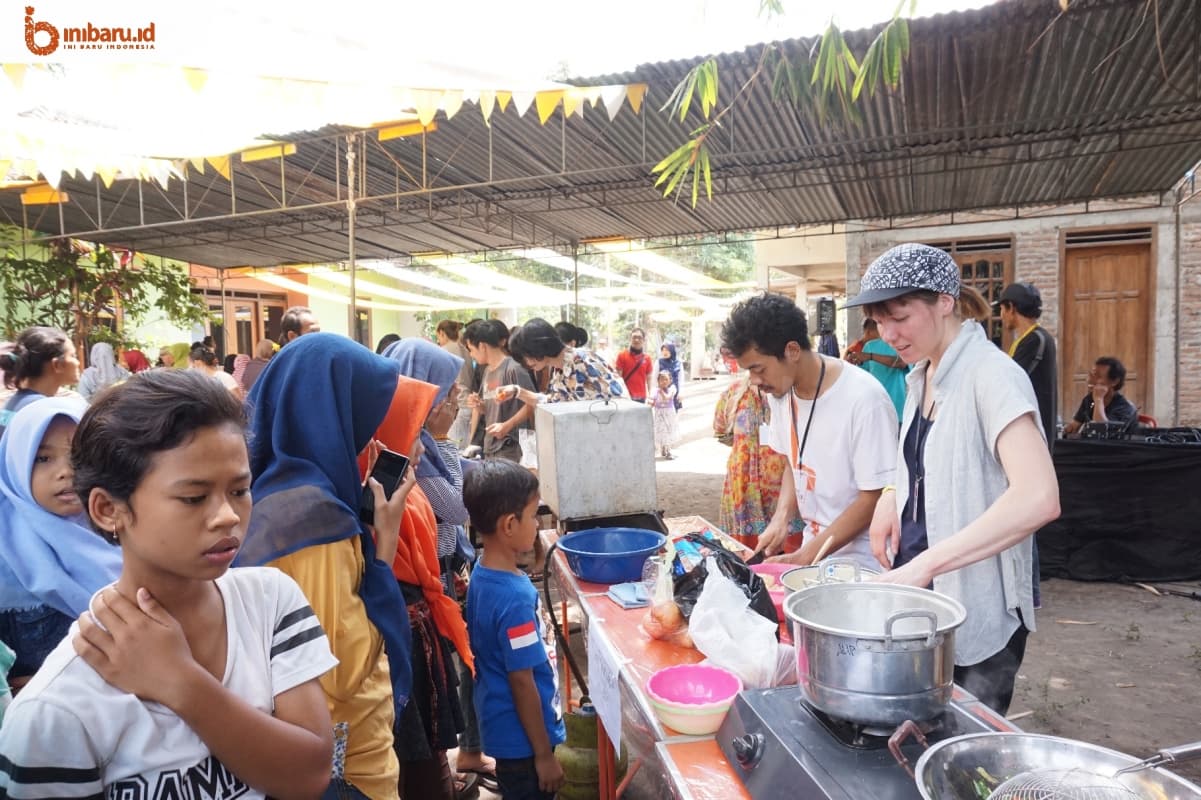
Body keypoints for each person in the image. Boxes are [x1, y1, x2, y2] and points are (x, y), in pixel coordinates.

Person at [0, 370, 337, 798]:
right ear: (107, 510)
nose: (227, 516)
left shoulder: (270, 601)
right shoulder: (58, 708)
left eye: (239, 490)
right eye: (194, 498)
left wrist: (180, 681)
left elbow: (308, 776)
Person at [846, 242, 1060, 714]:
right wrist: (889, 495)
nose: (888, 334)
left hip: (973, 600)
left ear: (945, 301)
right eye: (880, 321)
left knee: (961, 752)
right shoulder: (923, 374)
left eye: (900, 316)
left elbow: (1039, 497)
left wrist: (925, 566)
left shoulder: (992, 376)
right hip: (924, 599)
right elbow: (922, 461)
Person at [237, 333, 416, 800]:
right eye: (362, 415)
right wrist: (387, 540)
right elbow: (340, 665)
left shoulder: (268, 490)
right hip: (346, 762)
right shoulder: (313, 518)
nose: (369, 434)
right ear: (331, 412)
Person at [721, 293, 898, 571]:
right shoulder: (780, 394)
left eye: (759, 369)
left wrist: (807, 555)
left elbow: (874, 496)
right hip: (815, 552)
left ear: (792, 351)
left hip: (864, 563)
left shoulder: (864, 399)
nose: (755, 382)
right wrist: (781, 518)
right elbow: (795, 463)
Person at [0, 398, 122, 693]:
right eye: (42, 459)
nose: (66, 472)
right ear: (15, 464)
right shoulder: (5, 550)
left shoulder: (123, 526)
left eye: (78, 457)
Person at [463, 461, 565, 800]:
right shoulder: (515, 599)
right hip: (524, 744)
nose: (537, 525)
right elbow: (522, 682)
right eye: (534, 515)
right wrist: (544, 755)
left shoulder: (481, 572)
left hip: (501, 728)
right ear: (509, 524)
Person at [712, 374, 806, 550]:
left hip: (783, 485)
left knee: (787, 553)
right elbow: (720, 431)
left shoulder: (791, 395)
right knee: (744, 556)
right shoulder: (733, 393)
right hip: (742, 487)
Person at [504, 318, 625, 406]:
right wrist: (517, 391)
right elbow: (551, 402)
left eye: (526, 355)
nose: (527, 363)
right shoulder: (558, 371)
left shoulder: (583, 361)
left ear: (539, 347)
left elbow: (620, 401)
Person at [463, 319, 534, 463]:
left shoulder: (514, 369)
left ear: (482, 346)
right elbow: (491, 408)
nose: (471, 354)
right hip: (491, 447)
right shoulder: (487, 371)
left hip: (511, 447)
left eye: (471, 349)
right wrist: (479, 405)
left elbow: (533, 404)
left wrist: (507, 425)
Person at [997, 283, 1058, 449]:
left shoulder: (1035, 340)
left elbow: (1009, 381)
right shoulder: (1030, 339)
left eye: (1002, 309)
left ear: (1011, 308)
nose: (1001, 316)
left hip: (1034, 431)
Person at [0, 326, 81, 438]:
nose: (78, 362)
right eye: (72, 355)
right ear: (57, 365)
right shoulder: (47, 412)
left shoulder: (13, 403)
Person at [846, 319, 907, 421]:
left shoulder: (900, 343)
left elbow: (901, 362)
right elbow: (863, 376)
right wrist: (853, 364)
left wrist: (871, 356)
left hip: (899, 405)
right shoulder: (869, 346)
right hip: (876, 404)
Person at [1063, 356, 1137, 436]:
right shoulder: (1088, 400)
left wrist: (1098, 399)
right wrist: (1068, 428)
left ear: (1115, 381)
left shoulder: (1125, 407)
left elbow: (1101, 432)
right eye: (1092, 375)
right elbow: (1075, 426)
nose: (1090, 380)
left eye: (1097, 376)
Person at [436, 320, 476, 448]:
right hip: (469, 402)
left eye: (438, 337)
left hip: (458, 403)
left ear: (442, 333)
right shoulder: (465, 349)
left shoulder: (444, 350)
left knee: (452, 448)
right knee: (462, 447)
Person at [614, 328, 653, 403]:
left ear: (644, 340)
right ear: (630, 339)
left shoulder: (647, 358)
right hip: (625, 396)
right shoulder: (622, 355)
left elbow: (649, 378)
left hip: (641, 396)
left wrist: (650, 395)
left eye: (639, 337)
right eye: (634, 337)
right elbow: (619, 377)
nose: (636, 340)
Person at [652, 371, 680, 460]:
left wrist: (661, 392)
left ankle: (668, 450)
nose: (664, 381)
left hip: (669, 414)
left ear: (670, 380)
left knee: (668, 431)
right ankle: (664, 448)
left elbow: (667, 398)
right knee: (662, 431)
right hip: (659, 414)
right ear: (658, 381)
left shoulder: (672, 389)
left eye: (666, 379)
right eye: (661, 379)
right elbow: (652, 401)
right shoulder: (654, 390)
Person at [658, 343, 683, 410]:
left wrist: (681, 392)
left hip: (675, 392)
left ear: (672, 351)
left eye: (667, 350)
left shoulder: (678, 363)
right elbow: (654, 379)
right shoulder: (658, 362)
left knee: (674, 413)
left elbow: (681, 379)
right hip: (662, 392)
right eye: (663, 350)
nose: (664, 352)